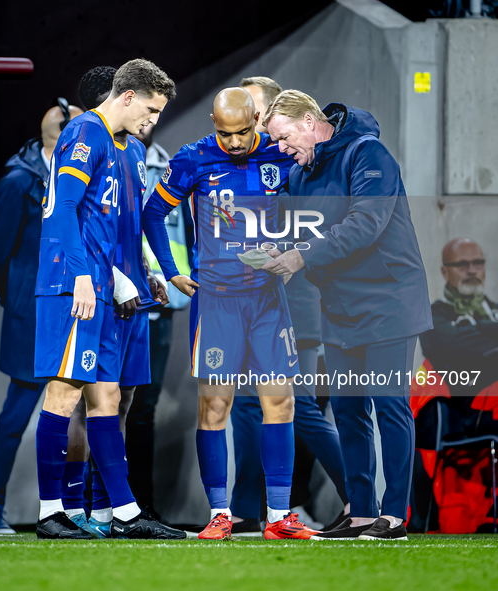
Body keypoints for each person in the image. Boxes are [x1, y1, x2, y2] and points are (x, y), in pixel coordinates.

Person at [143, 87, 319, 540]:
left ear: (257, 120)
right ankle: (220, 513)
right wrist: (171, 271)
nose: (236, 143)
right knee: (215, 406)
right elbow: (153, 213)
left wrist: (294, 248)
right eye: (226, 134)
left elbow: (315, 205)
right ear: (212, 123)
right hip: (216, 302)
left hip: (266, 299)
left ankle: (279, 518)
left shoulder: (280, 154)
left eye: (243, 132)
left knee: (280, 403)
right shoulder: (192, 159)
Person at [263, 90, 433, 541]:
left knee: (389, 404)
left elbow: (365, 224)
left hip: (389, 301)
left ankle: (394, 514)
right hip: (339, 307)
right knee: (348, 409)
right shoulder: (302, 170)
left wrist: (300, 256)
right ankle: (360, 511)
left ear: (307, 120)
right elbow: (282, 219)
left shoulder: (368, 153)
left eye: (282, 138)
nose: (280, 150)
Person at [34, 58, 185, 540]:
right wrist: (81, 276)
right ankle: (51, 512)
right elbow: (61, 210)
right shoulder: (83, 133)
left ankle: (118, 512)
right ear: (126, 97)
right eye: (151, 109)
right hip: (80, 286)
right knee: (64, 392)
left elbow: (127, 222)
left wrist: (149, 271)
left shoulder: (133, 151)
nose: (153, 120)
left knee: (113, 398)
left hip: (118, 291)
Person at [228, 76, 349, 533]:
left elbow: (314, 229)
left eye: (255, 112)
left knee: (298, 405)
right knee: (244, 403)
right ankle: (244, 511)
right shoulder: (256, 161)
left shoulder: (298, 163)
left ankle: (361, 497)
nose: (248, 120)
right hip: (256, 302)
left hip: (295, 303)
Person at [0, 101, 83, 534]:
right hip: (32, 318)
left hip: (66, 313)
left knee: (77, 417)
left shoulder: (69, 176)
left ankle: (73, 512)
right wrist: (17, 296)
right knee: (16, 417)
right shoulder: (20, 181)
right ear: (61, 133)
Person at [125, 119, 194, 515]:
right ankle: (91, 506)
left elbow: (184, 232)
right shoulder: (105, 158)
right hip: (118, 305)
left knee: (141, 410)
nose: (148, 121)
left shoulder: (169, 167)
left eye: (155, 113)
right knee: (103, 404)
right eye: (146, 109)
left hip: (160, 307)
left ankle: (141, 507)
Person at [410, 238, 498, 531]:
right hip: (461, 414)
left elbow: (470, 349)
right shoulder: (435, 313)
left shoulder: (493, 310)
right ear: (445, 271)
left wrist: (475, 334)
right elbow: (450, 350)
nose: (471, 270)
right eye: (462, 264)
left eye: (477, 263)